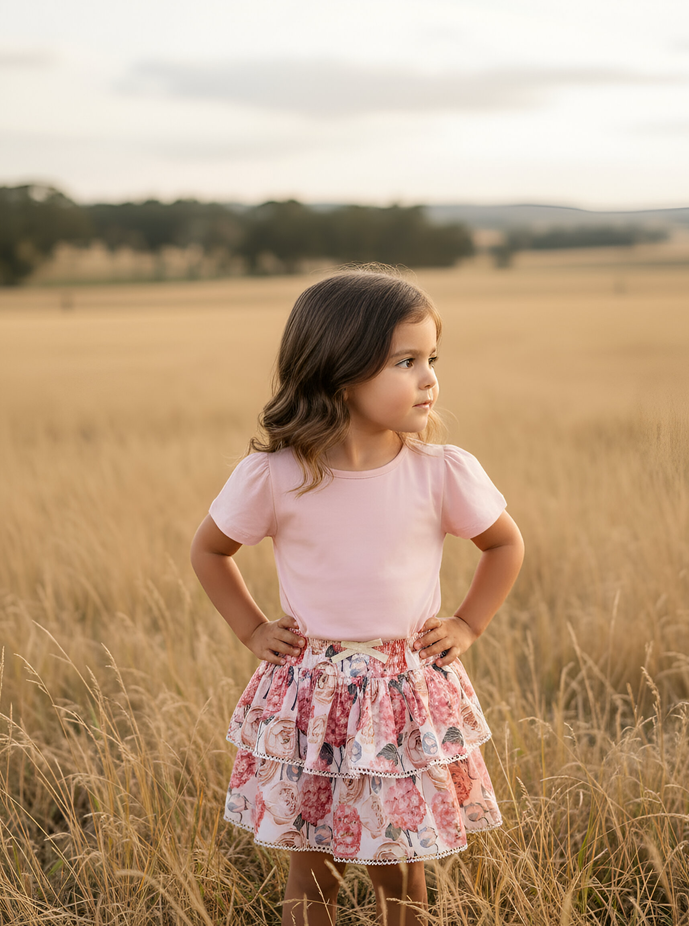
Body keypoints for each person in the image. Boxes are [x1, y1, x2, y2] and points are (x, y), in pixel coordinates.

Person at [190, 267, 524, 926]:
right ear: (339, 372)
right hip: (314, 702)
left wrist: (468, 623)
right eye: (406, 361)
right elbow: (210, 550)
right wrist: (253, 630)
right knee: (312, 862)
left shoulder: (440, 472)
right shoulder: (276, 476)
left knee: (399, 866)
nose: (429, 377)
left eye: (432, 358)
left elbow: (504, 544)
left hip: (404, 696)